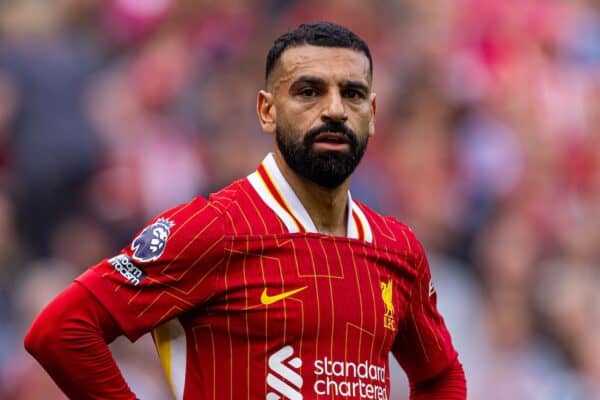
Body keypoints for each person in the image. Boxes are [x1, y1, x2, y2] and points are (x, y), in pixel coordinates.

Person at [24, 22, 466, 399]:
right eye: (309, 91)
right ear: (267, 110)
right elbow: (62, 331)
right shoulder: (214, 227)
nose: (333, 110)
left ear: (371, 114)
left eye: (351, 94)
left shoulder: (398, 247)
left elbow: (440, 373)